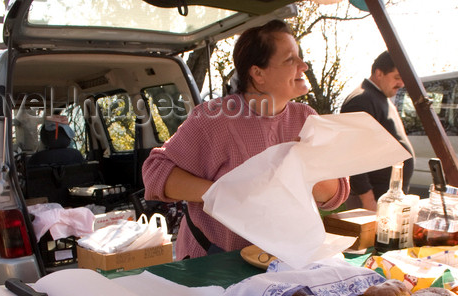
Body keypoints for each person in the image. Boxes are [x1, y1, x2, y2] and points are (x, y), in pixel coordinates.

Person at [142, 20, 349, 260]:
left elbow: (337, 194)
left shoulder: (307, 118)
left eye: (299, 57)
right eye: (290, 59)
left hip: (283, 260)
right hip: (216, 263)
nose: (303, 66)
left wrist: (304, 167)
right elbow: (154, 172)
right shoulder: (213, 118)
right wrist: (220, 193)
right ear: (258, 73)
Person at [340, 51, 414, 210]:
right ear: (379, 73)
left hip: (386, 196)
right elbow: (352, 154)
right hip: (373, 199)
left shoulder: (379, 98)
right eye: (396, 77)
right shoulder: (361, 100)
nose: (401, 84)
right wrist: (368, 200)